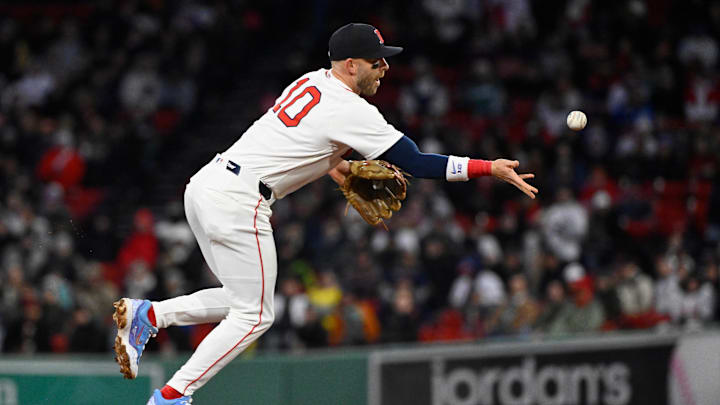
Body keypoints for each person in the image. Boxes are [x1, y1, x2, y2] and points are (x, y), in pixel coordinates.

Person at [112, 23, 538, 404]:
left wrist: (342, 169)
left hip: (206, 185)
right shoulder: (353, 110)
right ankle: (173, 395)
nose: (384, 69)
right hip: (240, 202)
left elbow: (304, 142)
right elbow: (419, 163)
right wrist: (488, 168)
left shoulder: (311, 81)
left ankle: (149, 315)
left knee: (239, 300)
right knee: (257, 315)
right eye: (377, 62)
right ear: (352, 65)